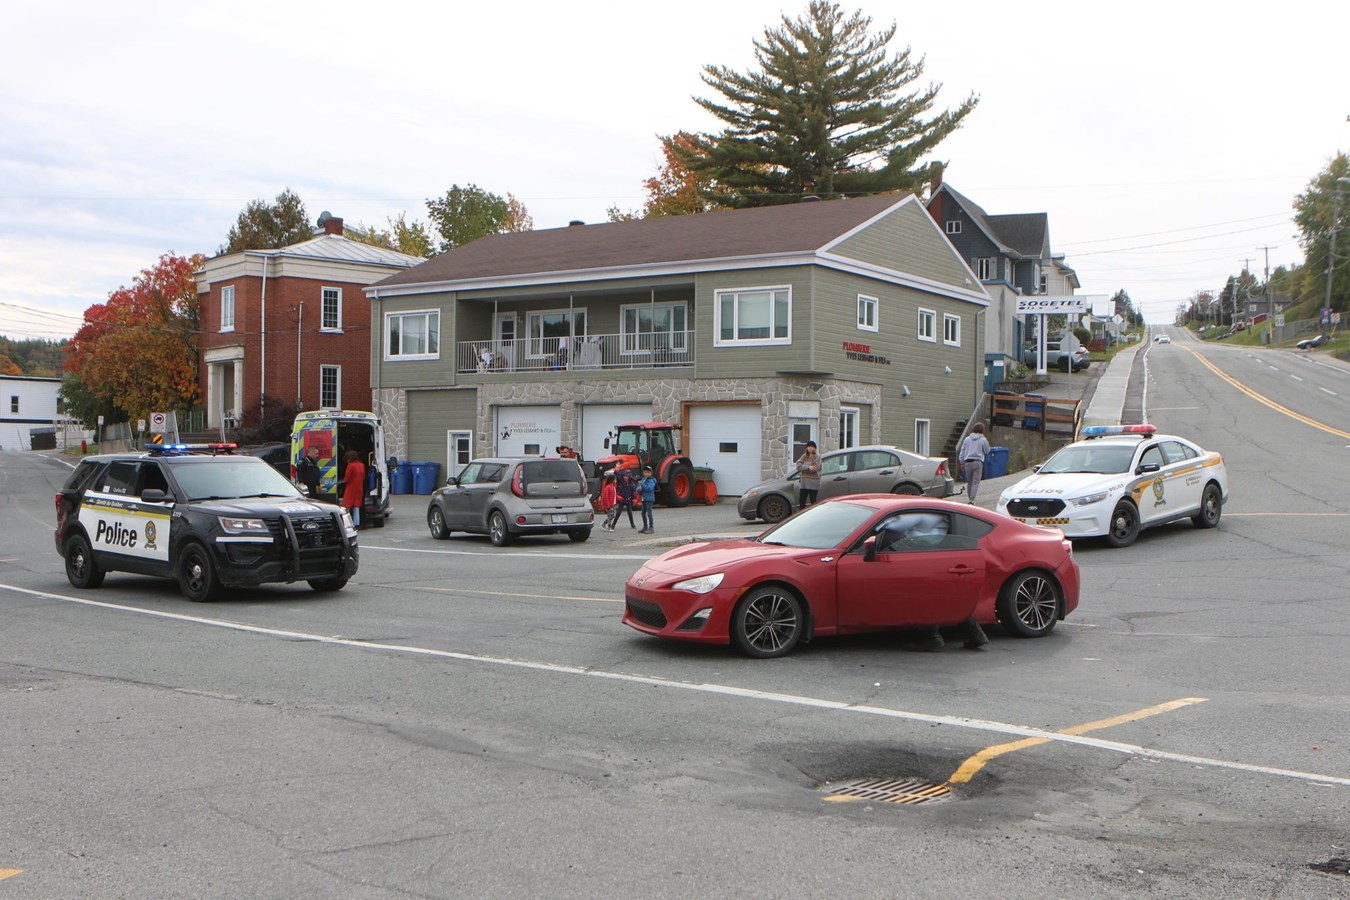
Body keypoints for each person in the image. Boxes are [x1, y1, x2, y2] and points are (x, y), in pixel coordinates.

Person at [958, 422, 992, 505]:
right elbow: (987, 451)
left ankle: (970, 497)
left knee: (969, 482)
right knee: (975, 483)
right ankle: (972, 500)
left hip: (967, 462)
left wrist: (962, 462)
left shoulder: (967, 439)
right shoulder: (983, 440)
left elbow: (962, 452)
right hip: (978, 462)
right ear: (982, 430)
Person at [341, 449, 366, 529]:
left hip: (350, 488)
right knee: (356, 507)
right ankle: (356, 524)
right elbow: (363, 477)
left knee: (346, 507)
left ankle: (346, 523)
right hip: (359, 488)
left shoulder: (350, 466)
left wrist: (342, 481)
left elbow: (347, 478)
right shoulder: (361, 465)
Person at [795, 440, 821, 510]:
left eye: (812, 446)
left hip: (813, 483)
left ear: (815, 448)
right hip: (804, 483)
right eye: (809, 446)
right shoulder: (804, 456)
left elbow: (815, 468)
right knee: (802, 501)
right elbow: (798, 466)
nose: (810, 448)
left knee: (813, 502)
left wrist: (803, 467)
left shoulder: (817, 456)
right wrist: (808, 467)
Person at [638, 465, 658, 534]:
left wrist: (642, 485)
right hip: (644, 498)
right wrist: (639, 489)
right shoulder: (643, 480)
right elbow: (638, 488)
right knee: (643, 513)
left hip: (649, 499)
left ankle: (651, 528)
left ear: (651, 473)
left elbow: (649, 488)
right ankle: (645, 527)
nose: (646, 474)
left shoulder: (651, 480)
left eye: (648, 472)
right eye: (645, 472)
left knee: (649, 513)